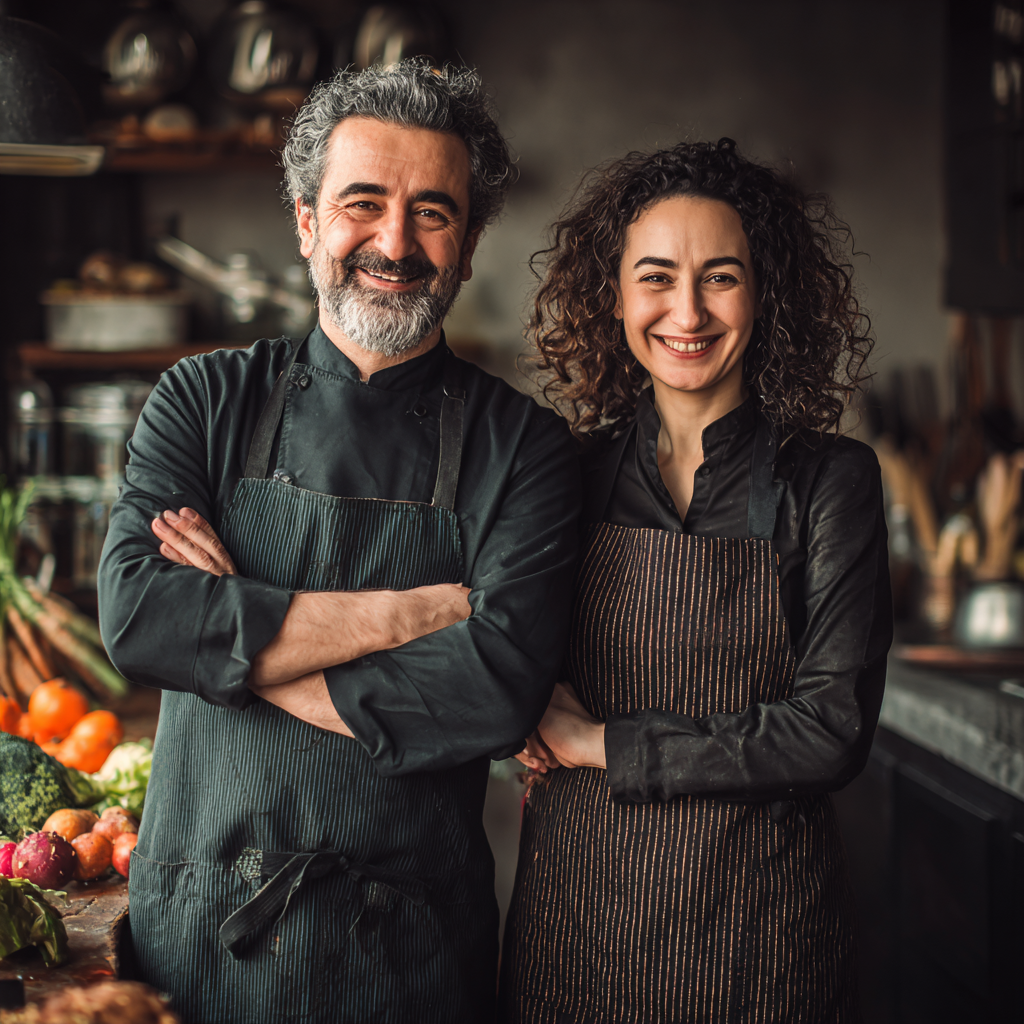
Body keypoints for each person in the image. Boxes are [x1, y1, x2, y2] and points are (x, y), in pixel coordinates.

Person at [97, 60, 580, 1024]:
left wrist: (232, 641)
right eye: (363, 203)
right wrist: (415, 614)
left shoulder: (524, 447)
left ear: (469, 246)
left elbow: (493, 694)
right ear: (307, 220)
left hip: (404, 957)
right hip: (197, 939)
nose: (395, 243)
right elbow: (142, 619)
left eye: (433, 213)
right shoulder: (203, 399)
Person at [499, 139, 892, 1023]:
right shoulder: (559, 475)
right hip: (577, 931)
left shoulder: (830, 483)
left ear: (764, 293)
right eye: (656, 277)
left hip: (761, 943)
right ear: (613, 294)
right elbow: (491, 648)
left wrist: (598, 742)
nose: (687, 311)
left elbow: (829, 734)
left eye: (720, 277)